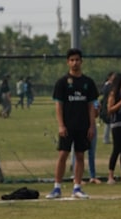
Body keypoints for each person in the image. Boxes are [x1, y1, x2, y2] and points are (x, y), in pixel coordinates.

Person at [46, 48, 99, 200]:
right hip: (67, 126)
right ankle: (57, 187)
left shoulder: (88, 82)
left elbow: (91, 106)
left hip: (83, 125)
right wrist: (61, 125)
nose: (75, 63)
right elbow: (59, 106)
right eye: (72, 60)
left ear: (81, 61)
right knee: (63, 154)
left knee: (80, 155)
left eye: (77, 60)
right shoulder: (62, 82)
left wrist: (91, 126)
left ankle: (77, 187)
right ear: (68, 62)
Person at [100, 72, 115, 144]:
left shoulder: (108, 85)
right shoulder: (108, 85)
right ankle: (106, 139)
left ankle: (107, 138)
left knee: (109, 123)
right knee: (108, 123)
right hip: (107, 106)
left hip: (107, 105)